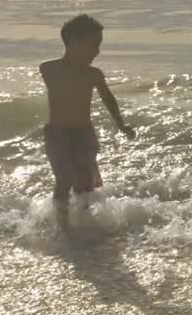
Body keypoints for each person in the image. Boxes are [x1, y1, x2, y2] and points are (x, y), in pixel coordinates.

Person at [39, 14, 134, 235]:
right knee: (64, 178)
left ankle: (83, 222)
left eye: (98, 46)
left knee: (85, 182)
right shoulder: (49, 70)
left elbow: (109, 99)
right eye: (93, 45)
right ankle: (63, 227)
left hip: (84, 133)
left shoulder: (94, 75)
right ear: (72, 42)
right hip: (58, 134)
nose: (97, 52)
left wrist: (121, 125)